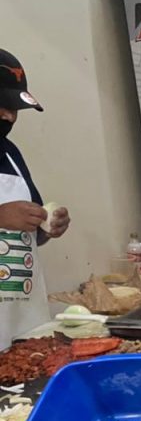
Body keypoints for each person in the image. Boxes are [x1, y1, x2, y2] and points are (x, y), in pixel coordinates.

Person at [0, 49, 71, 350]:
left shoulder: (9, 153)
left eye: (14, 108)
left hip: (22, 325)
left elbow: (31, 233)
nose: (8, 116)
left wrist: (47, 227)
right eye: (2, 105)